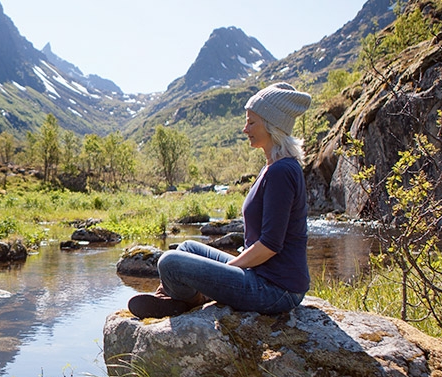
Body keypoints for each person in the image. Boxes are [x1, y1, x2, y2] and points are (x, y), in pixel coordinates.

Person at [128, 82, 312, 319]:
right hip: (263, 276)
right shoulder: (274, 167)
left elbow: (270, 246)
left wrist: (225, 272)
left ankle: (184, 301)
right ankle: (174, 299)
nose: (245, 129)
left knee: (170, 262)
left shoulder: (281, 172)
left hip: (276, 290)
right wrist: (223, 273)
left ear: (271, 125)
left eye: (251, 122)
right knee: (187, 248)